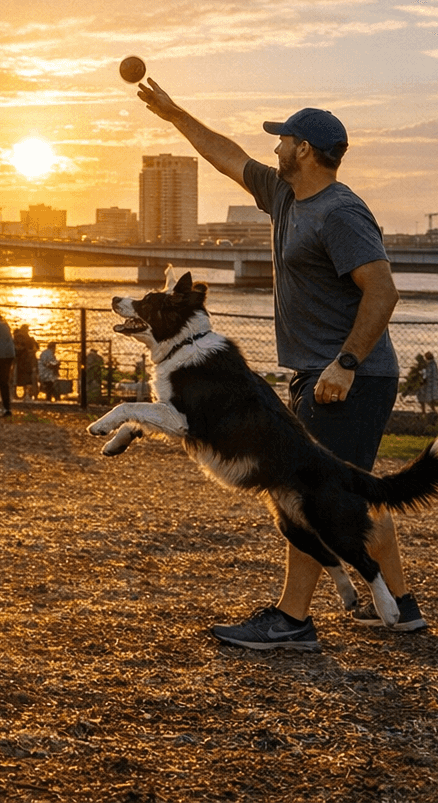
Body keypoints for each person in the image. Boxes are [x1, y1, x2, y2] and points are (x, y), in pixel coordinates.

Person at [139, 78, 417, 648]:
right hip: (321, 375)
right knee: (348, 493)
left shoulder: (340, 213)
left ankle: (293, 620)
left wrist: (345, 364)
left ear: (305, 150)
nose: (275, 147)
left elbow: (383, 291)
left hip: (348, 379)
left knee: (304, 495)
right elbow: (227, 156)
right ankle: (402, 606)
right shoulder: (285, 194)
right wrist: (174, 113)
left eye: (284, 139)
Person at [14, 324, 39, 401]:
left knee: (24, 379)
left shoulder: (27, 338)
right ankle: (26, 394)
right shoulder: (24, 338)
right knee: (24, 378)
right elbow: (35, 348)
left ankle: (26, 394)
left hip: (24, 361)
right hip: (24, 361)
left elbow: (35, 348)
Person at [416, 352, 438, 417]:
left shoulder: (429, 364)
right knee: (430, 399)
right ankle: (430, 411)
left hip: (429, 384)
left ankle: (425, 411)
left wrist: (422, 379)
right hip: (431, 384)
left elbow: (426, 374)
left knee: (424, 397)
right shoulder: (433, 364)